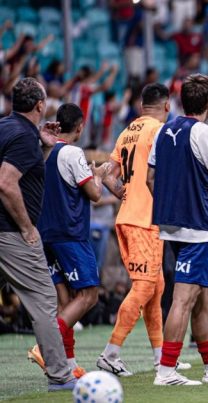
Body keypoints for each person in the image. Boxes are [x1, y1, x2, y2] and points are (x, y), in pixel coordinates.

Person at [148, 73, 208, 386]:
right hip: (197, 226)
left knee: (203, 297)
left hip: (170, 224)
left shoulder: (165, 130)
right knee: (185, 298)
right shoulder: (202, 133)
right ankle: (166, 371)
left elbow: (151, 178)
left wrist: (172, 204)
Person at [0, 78, 76, 391]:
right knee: (44, 299)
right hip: (11, 235)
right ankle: (60, 375)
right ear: (40, 105)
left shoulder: (7, 127)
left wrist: (43, 146)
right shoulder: (22, 136)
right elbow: (6, 182)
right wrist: (27, 227)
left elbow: (26, 172)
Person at [97, 83, 171, 376]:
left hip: (131, 216)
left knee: (156, 288)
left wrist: (128, 196)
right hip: (144, 220)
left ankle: (161, 358)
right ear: (166, 106)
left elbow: (109, 177)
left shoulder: (126, 132)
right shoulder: (158, 131)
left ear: (142, 106)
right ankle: (110, 354)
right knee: (144, 287)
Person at [32, 103, 105, 380]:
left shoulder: (44, 152)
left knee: (66, 303)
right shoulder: (73, 152)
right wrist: (97, 176)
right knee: (88, 296)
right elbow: (94, 194)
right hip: (69, 235)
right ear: (80, 126)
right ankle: (43, 347)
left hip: (46, 234)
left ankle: (68, 365)